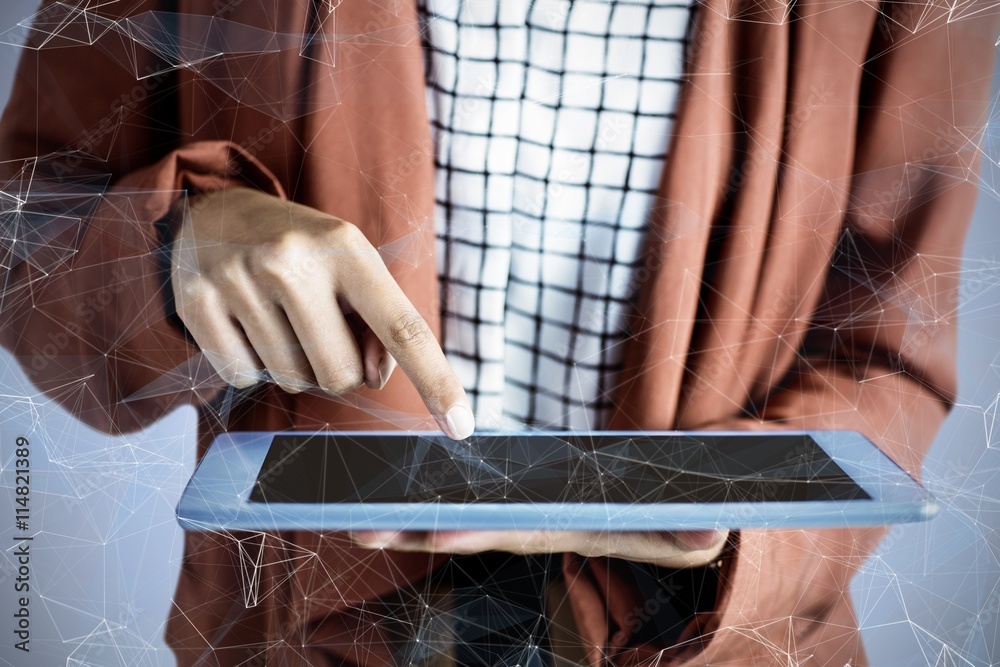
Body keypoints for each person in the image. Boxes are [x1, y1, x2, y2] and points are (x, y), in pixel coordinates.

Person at [1, 0, 996, 664]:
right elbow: (25, 231)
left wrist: (737, 528)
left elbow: (887, 349)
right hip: (301, 632)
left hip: (712, 642)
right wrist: (175, 244)